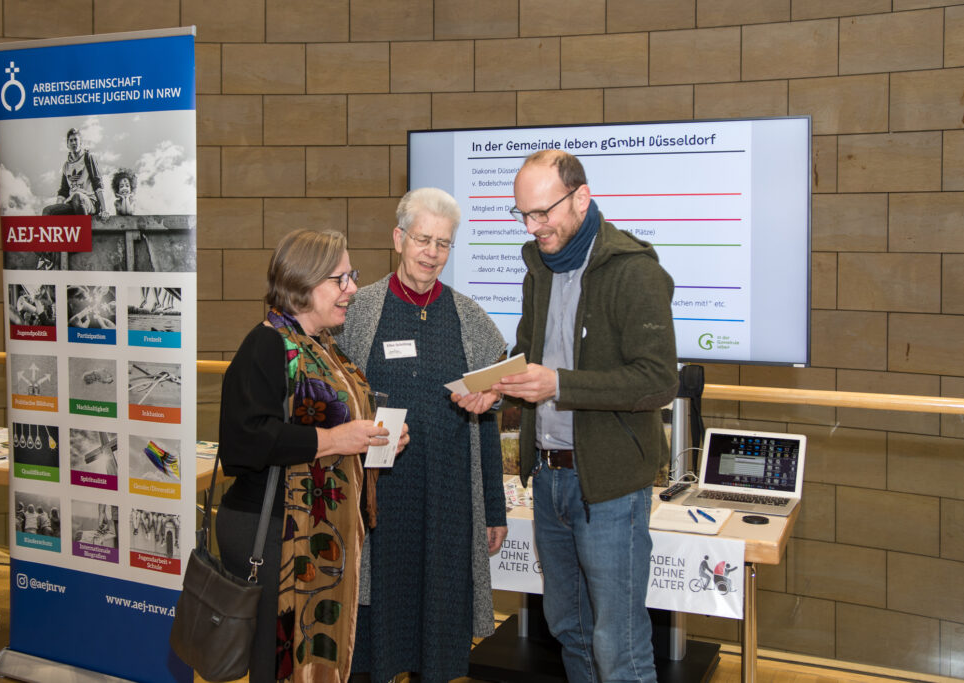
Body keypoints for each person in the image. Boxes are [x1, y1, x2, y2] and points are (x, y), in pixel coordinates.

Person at [460, 150, 679, 682]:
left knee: (618, 644)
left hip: (608, 487)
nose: (534, 227)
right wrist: (496, 390)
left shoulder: (635, 271)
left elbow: (658, 381)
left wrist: (560, 384)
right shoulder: (538, 268)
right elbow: (526, 351)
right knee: (569, 630)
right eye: (523, 215)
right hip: (550, 479)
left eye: (543, 212)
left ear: (581, 197)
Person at [215, 229, 409, 682]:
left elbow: (335, 423)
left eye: (352, 277)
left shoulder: (321, 346)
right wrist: (337, 440)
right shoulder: (266, 345)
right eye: (341, 279)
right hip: (272, 531)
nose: (353, 290)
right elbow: (245, 445)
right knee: (276, 661)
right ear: (304, 284)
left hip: (312, 532)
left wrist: (374, 440)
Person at [337, 188, 508, 683]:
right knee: (375, 629)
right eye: (423, 240)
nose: (432, 253)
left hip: (450, 506)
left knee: (438, 631)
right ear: (398, 239)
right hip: (378, 504)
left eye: (443, 244)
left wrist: (492, 509)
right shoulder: (359, 313)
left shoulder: (472, 320)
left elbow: (489, 420)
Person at [42, 127, 108, 216]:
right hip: (72, 204)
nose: (73, 143)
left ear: (81, 142)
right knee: (48, 211)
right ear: (67, 144)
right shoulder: (67, 166)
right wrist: (57, 208)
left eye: (76, 140)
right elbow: (63, 191)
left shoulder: (88, 158)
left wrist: (104, 210)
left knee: (78, 196)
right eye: (71, 140)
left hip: (89, 203)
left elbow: (98, 184)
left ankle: (85, 229)